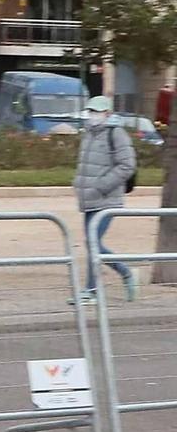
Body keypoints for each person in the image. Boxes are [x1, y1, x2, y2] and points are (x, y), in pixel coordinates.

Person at [72, 94, 137, 303]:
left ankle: (94, 289)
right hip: (89, 198)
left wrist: (101, 186)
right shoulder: (89, 134)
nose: (93, 115)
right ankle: (117, 276)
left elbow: (127, 165)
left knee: (93, 242)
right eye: (91, 111)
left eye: (97, 111)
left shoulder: (116, 133)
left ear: (108, 113)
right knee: (92, 243)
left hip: (107, 199)